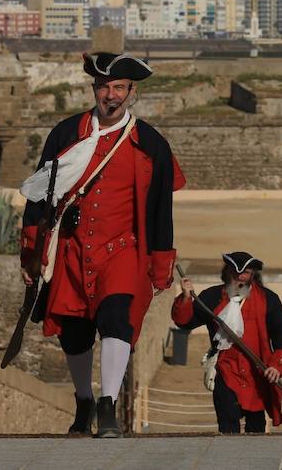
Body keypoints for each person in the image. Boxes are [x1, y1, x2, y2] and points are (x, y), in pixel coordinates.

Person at [19, 51, 186, 438]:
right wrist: (32, 253)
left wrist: (161, 265)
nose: (110, 95)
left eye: (119, 88)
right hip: (72, 249)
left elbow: (162, 209)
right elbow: (39, 197)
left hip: (122, 250)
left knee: (116, 319)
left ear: (132, 92)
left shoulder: (151, 144)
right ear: (95, 88)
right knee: (74, 332)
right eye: (104, 86)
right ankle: (84, 401)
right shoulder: (66, 133)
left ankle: (108, 404)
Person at [172, 252, 282, 434]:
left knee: (256, 429)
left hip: (257, 373)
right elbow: (184, 322)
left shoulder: (268, 299)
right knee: (228, 427)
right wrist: (186, 297)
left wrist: (276, 365)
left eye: (245, 274)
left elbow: (280, 333)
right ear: (227, 274)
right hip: (225, 371)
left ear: (253, 275)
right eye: (236, 275)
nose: (240, 279)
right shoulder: (212, 297)